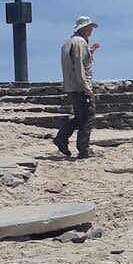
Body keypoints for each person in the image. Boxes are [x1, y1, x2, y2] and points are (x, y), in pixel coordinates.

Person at [53, 16, 100, 158]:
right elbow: (79, 66)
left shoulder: (69, 41)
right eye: (90, 27)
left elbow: (76, 61)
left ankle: (61, 139)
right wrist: (86, 86)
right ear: (84, 28)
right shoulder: (79, 42)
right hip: (79, 87)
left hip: (71, 86)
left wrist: (90, 51)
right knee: (88, 116)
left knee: (81, 117)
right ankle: (83, 150)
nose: (91, 30)